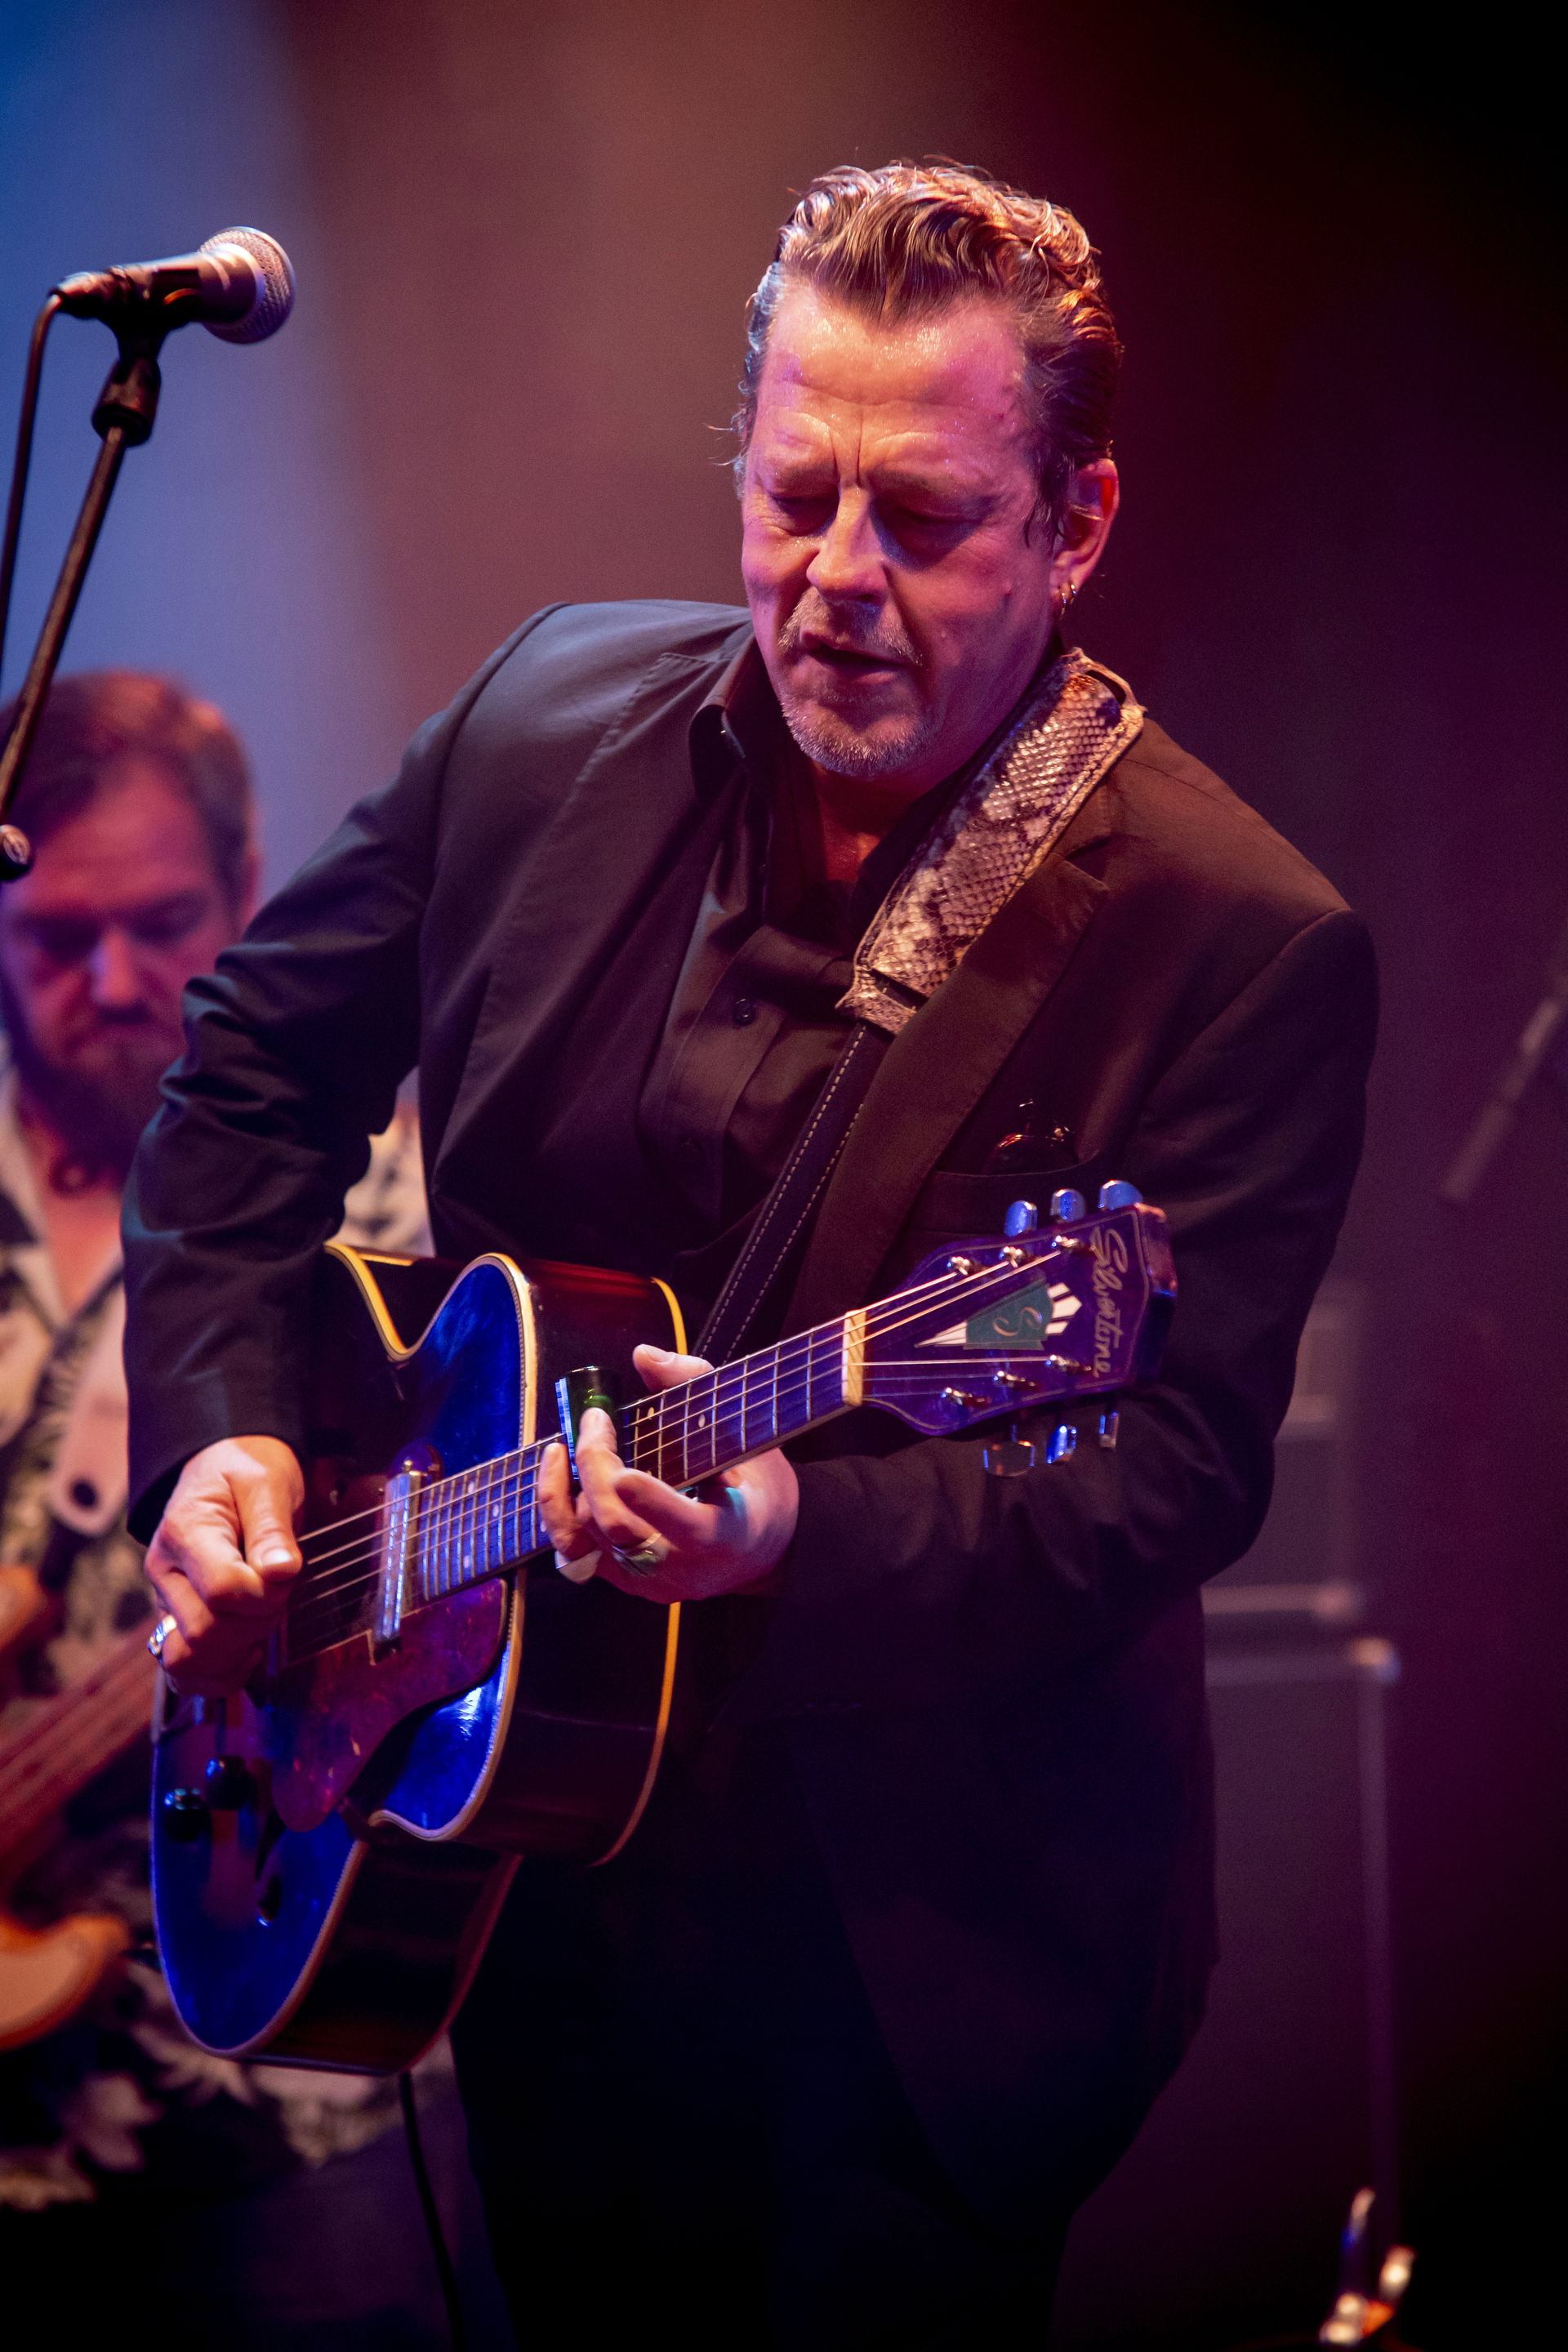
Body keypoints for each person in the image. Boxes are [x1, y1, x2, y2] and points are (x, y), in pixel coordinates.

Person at [123, 164, 1377, 2349]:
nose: (837, 581)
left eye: (925, 519)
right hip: (514, 1855)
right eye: (794, 498)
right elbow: (243, 1074)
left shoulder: (1236, 940)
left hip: (909, 1971)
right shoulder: (540, 725)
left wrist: (793, 1515)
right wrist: (229, 1437)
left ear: (1077, 524)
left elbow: (1170, 1473)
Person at [0, 674, 497, 2350]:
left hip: (304, 2093)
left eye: (163, 924)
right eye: (57, 936)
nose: (116, 981)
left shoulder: (406, 1211)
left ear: (251, 889)